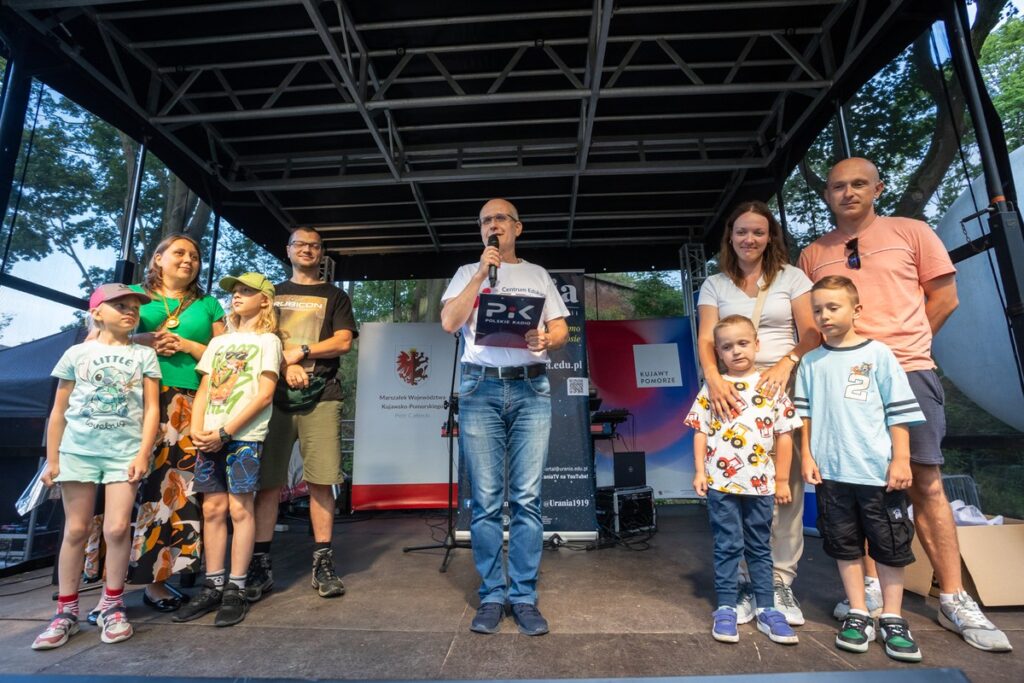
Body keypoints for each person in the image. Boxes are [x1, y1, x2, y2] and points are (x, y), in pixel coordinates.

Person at [799, 157, 1012, 652]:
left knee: (924, 481)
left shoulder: (911, 231)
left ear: (877, 187)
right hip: (837, 382)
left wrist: (895, 356)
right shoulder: (814, 254)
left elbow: (945, 298)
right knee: (854, 484)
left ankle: (954, 595)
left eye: (858, 184)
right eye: (837, 186)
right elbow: (813, 323)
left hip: (907, 371)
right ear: (827, 195)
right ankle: (870, 592)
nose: (848, 192)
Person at [440, 198, 569, 636]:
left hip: (531, 386)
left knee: (528, 498)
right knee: (488, 499)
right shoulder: (466, 273)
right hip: (480, 387)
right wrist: (480, 273)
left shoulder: (537, 274)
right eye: (485, 221)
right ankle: (493, 593)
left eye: (499, 219)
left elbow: (561, 330)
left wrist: (546, 338)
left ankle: (524, 596)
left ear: (518, 228)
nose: (492, 226)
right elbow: (449, 322)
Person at [696, 200, 819, 626]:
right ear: (730, 236)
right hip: (729, 391)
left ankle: (779, 580)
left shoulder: (792, 277)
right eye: (742, 231)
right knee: (735, 483)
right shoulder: (714, 283)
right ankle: (746, 582)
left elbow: (812, 333)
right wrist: (713, 379)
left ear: (771, 237)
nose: (750, 239)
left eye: (759, 232)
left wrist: (787, 363)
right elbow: (706, 340)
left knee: (784, 486)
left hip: (778, 386)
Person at [796, 276, 925, 662]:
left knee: (889, 545)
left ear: (856, 310)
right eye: (817, 309)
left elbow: (898, 412)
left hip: (876, 473)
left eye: (833, 307)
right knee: (843, 544)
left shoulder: (879, 355)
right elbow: (805, 415)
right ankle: (857, 611)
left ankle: (892, 617)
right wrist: (807, 455)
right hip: (832, 475)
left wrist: (900, 458)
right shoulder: (810, 361)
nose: (824, 315)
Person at [33, 284, 161, 649]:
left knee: (119, 527)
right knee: (75, 529)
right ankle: (66, 612)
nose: (130, 311)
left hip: (124, 452)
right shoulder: (76, 353)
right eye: (120, 305)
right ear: (97, 312)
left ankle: (112, 604)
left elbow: (152, 408)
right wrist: (53, 458)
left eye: (134, 306)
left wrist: (142, 453)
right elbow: (59, 410)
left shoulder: (143, 356)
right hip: (77, 452)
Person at [249, 227, 357, 601]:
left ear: (321, 253)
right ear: (288, 250)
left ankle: (323, 563)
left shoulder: (335, 295)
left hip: (323, 395)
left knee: (321, 481)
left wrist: (303, 352)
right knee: (267, 484)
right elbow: (255, 341)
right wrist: (282, 366)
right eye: (300, 244)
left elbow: (343, 341)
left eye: (314, 245)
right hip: (271, 397)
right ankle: (259, 566)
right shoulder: (270, 295)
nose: (307, 250)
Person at [172, 273, 282, 626]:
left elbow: (265, 394)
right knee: (212, 508)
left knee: (240, 508)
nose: (237, 296)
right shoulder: (220, 343)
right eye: (235, 292)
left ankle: (236, 586)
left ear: (264, 300)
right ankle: (213, 584)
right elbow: (205, 387)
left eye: (247, 291)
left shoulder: (268, 341)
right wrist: (197, 429)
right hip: (209, 436)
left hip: (244, 435)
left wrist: (226, 430)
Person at [685, 315, 802, 646]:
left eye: (742, 343)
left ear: (756, 345)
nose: (735, 351)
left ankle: (767, 607)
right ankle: (726, 606)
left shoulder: (771, 388)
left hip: (761, 486)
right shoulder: (713, 388)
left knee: (759, 546)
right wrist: (699, 471)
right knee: (727, 544)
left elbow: (784, 435)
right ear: (718, 354)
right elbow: (700, 432)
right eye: (726, 347)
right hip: (722, 485)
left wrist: (781, 480)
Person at [127, 234, 226, 611]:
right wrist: (146, 339)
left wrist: (188, 346)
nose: (189, 260)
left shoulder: (209, 304)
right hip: (137, 399)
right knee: (129, 485)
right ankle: (111, 584)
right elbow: (103, 340)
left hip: (189, 403)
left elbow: (227, 355)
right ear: (158, 258)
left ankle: (159, 580)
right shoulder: (133, 295)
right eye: (180, 253)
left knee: (176, 491)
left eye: (195, 256)